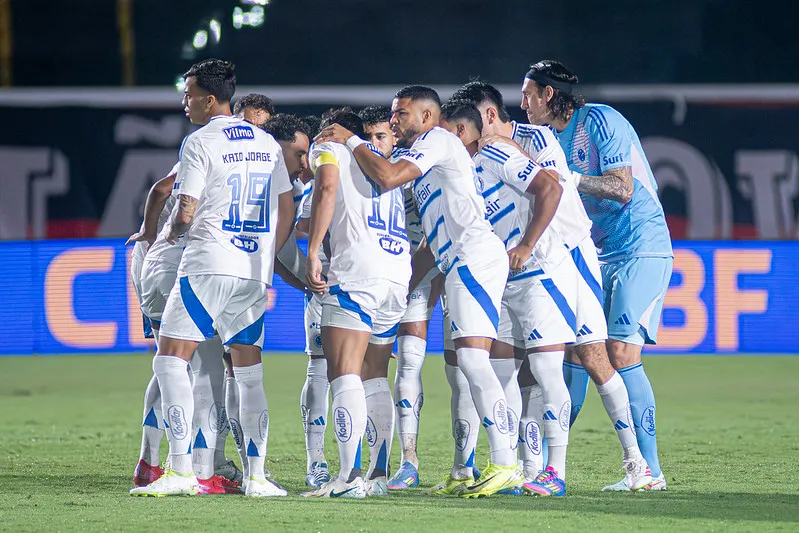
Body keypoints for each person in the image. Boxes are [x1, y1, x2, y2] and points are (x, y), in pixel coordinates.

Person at [315, 85, 522, 498]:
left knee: (473, 359)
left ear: (428, 117)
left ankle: (506, 462)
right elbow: (428, 242)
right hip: (457, 262)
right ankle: (482, 466)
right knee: (468, 361)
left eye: (401, 114)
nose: (394, 121)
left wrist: (350, 139)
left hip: (475, 258)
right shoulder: (426, 163)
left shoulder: (438, 141)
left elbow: (387, 177)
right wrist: (407, 283)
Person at [452, 80, 652, 491]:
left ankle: (636, 464)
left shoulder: (536, 137)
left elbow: (552, 187)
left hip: (566, 257)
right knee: (525, 370)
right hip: (517, 270)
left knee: (593, 357)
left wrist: (526, 242)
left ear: (486, 117)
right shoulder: (474, 159)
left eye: (467, 125)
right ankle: (529, 467)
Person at [130, 58, 295, 498]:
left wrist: (169, 234)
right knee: (249, 373)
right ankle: (258, 478)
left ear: (208, 98)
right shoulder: (267, 142)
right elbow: (287, 205)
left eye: (188, 94)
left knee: (170, 360)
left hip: (207, 264)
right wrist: (264, 257)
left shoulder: (199, 141)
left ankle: (181, 469)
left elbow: (184, 207)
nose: (184, 102)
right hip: (253, 273)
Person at [523, 59, 672, 491]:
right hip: (598, 253)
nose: (523, 104)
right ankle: (542, 464)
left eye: (528, 95)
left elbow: (622, 188)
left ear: (548, 95)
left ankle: (648, 472)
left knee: (621, 354)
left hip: (642, 246)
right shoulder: (546, 138)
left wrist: (569, 179)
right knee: (576, 352)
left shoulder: (599, 120)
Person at [301, 109, 411, 499]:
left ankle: (347, 479)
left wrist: (313, 252)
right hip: (397, 274)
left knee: (343, 373)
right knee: (375, 374)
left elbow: (327, 188)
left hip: (357, 273)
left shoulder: (330, 147)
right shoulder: (386, 161)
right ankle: (378, 477)